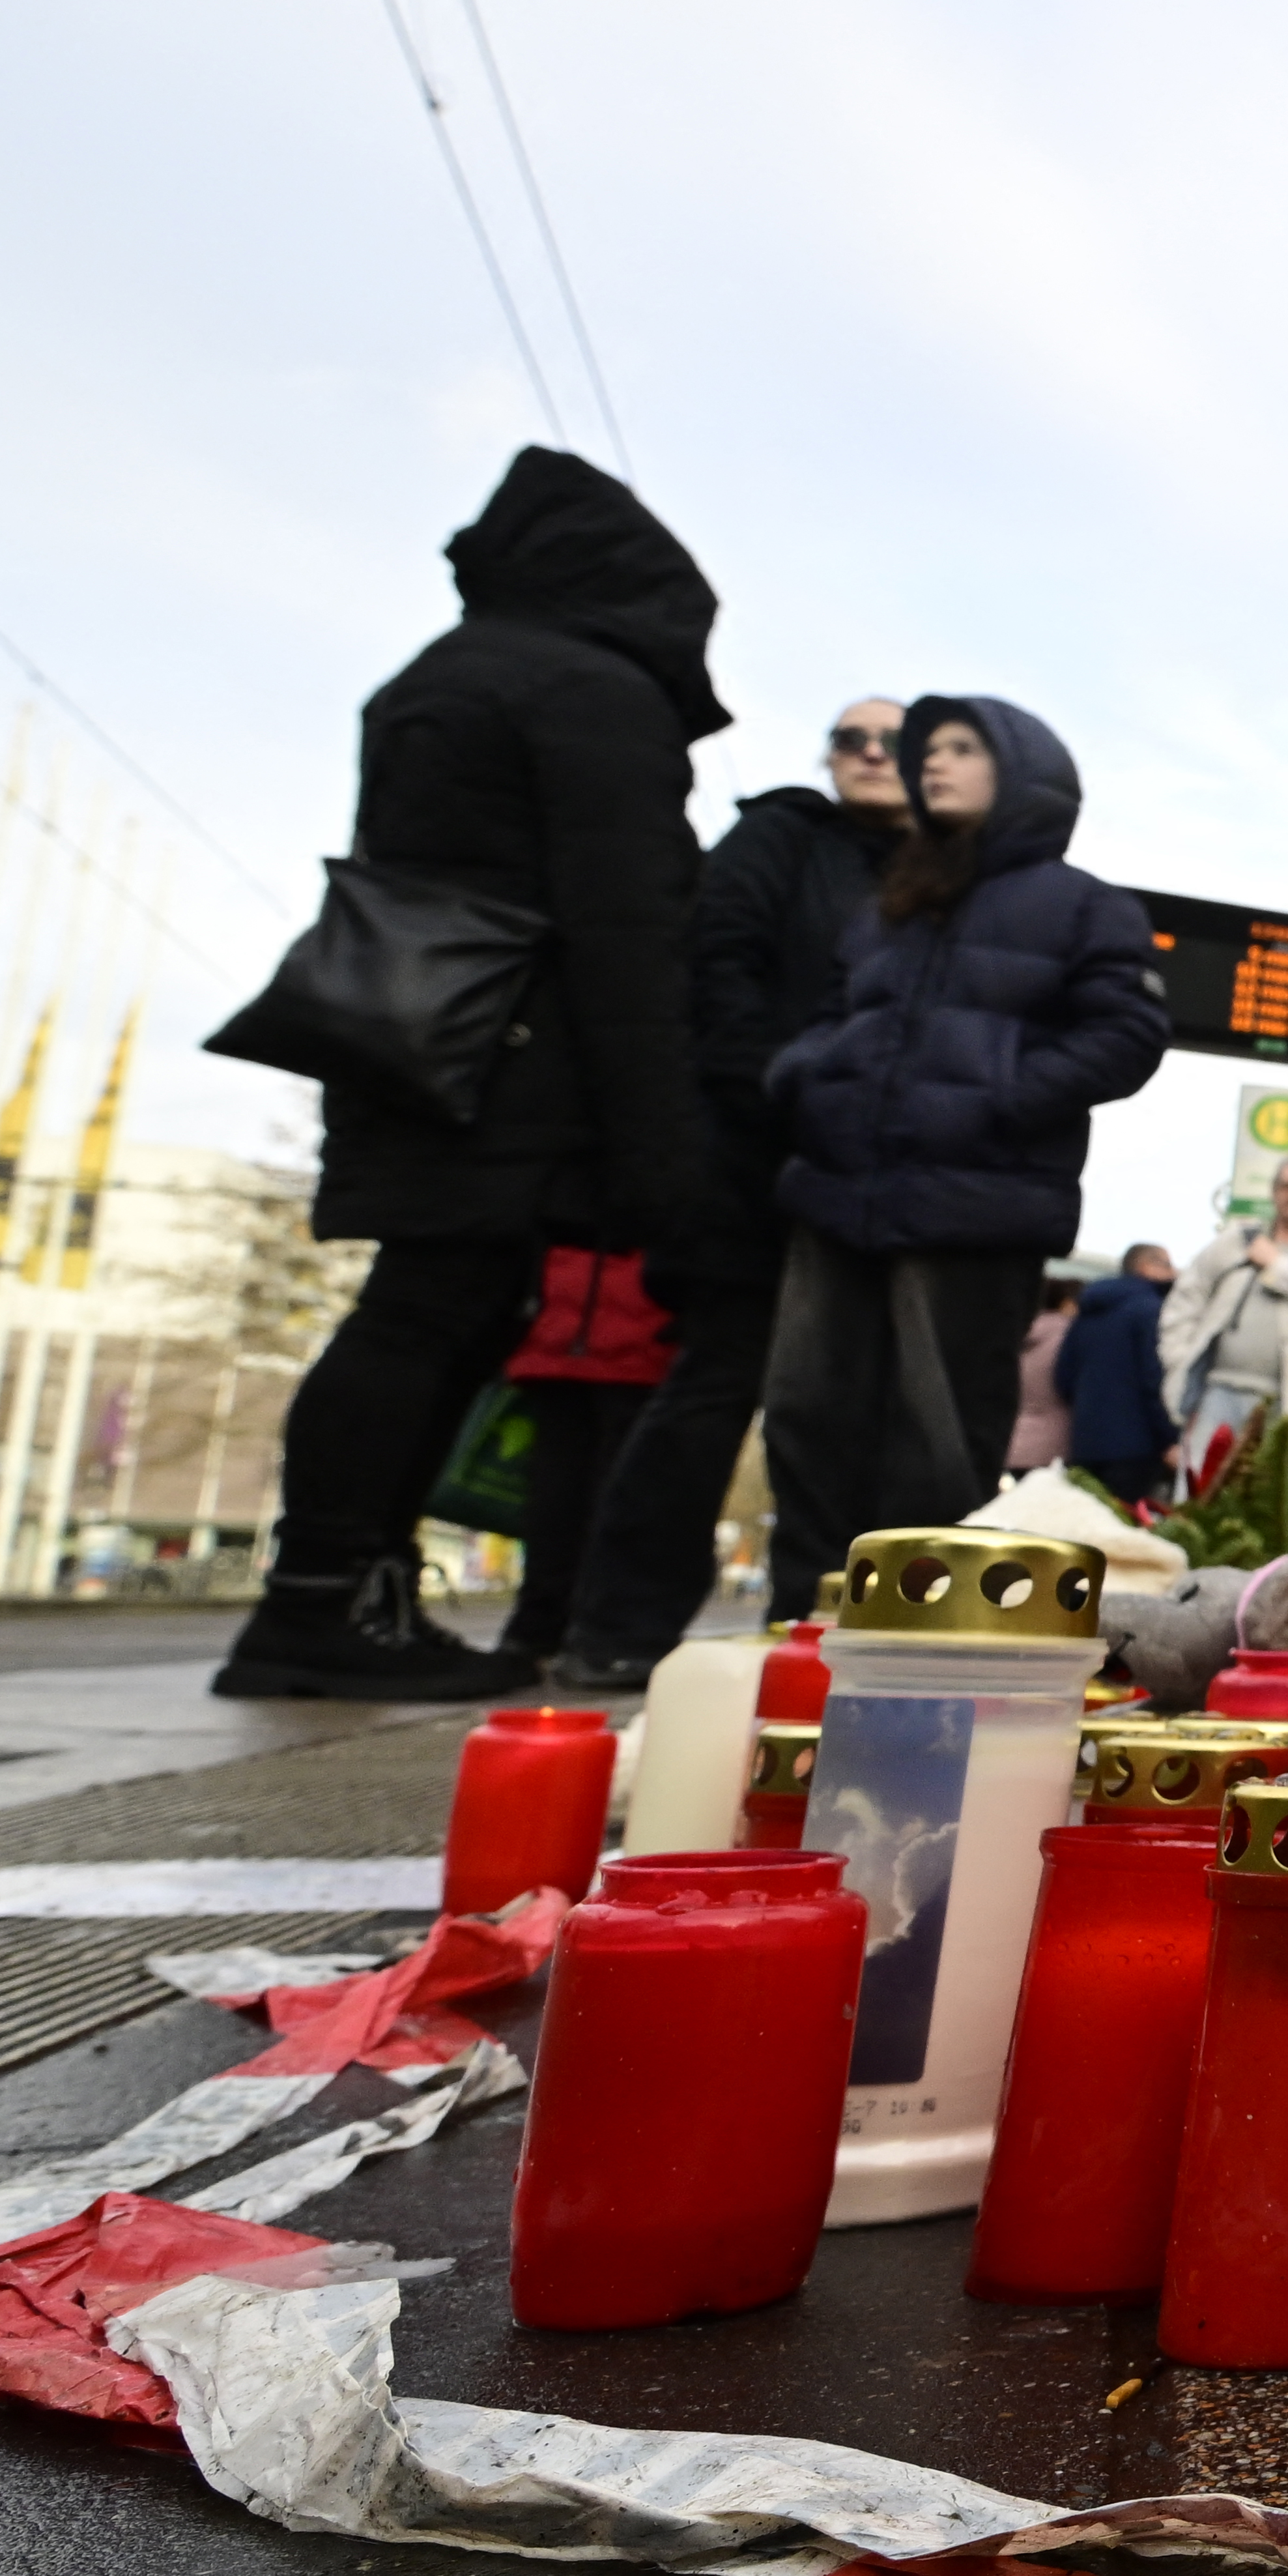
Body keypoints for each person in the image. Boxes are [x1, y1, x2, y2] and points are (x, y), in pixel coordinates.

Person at [218, 449, 717, 1701]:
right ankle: (328, 1596)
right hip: (518, 1060)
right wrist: (662, 1147)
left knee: (430, 1310)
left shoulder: (441, 677)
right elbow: (625, 927)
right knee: (430, 1314)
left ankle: (341, 1586)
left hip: (415, 1031)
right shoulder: (591, 694)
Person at [758, 696, 1169, 1607]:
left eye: (958, 748)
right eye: (926, 752)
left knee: (938, 1437)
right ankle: (799, 1634)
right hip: (836, 1196)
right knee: (805, 1418)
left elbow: (1130, 1032)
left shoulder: (1083, 906)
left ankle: (918, 1650)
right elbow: (831, 1018)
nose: (929, 763)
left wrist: (1000, 1097)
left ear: (1021, 769)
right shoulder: (889, 906)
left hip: (973, 1204)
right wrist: (806, 1081)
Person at [540, 696, 911, 1679]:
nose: (871, 755)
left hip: (868, 1175)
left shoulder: (942, 874)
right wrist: (780, 1091)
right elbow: (720, 974)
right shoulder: (780, 837)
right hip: (757, 1163)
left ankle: (814, 1630)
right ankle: (618, 1629)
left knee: (837, 1414)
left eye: (894, 741)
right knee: (713, 1393)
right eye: (851, 739)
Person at [491, 1246, 674, 1686]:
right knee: (604, 1496)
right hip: (627, 1334)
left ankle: (540, 1628)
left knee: (559, 1493)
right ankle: (593, 1631)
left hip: (568, 1330)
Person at [1162, 1154, 1288, 1468]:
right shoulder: (1236, 1241)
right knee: (1201, 1492)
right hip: (1217, 1393)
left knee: (1276, 1505)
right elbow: (1187, 1296)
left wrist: (1276, 1265)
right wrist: (1179, 1357)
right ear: (1274, 1192)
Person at [1053, 1243, 1182, 1500]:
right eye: (1168, 1265)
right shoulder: (1150, 1309)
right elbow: (1154, 1380)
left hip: (1086, 1443)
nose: (1175, 1273)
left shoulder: (1088, 1311)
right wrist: (1169, 1439)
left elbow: (1063, 1376)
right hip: (1138, 1446)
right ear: (1147, 1267)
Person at [1007, 1271, 1075, 1476]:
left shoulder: (1020, 1333)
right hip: (1053, 1445)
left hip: (1013, 1443)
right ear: (1066, 1304)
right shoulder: (1067, 1338)